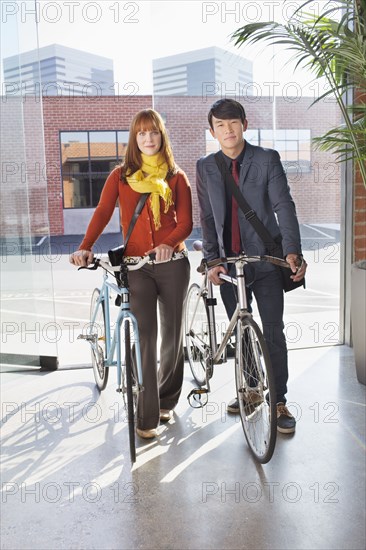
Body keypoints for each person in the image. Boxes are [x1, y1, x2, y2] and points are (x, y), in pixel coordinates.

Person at [70, 109, 193, 439]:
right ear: (134, 139)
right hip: (137, 268)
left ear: (161, 137)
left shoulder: (177, 178)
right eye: (141, 133)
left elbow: (185, 224)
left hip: (173, 266)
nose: (148, 138)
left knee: (172, 337)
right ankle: (147, 414)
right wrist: (85, 246)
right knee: (145, 338)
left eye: (153, 132)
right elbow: (102, 212)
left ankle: (167, 398)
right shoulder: (120, 176)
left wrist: (168, 244)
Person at [196, 98, 307, 434]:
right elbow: (207, 216)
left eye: (233, 123)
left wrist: (292, 251)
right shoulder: (205, 166)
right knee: (241, 331)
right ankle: (253, 389)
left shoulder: (266, 159)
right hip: (229, 266)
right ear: (212, 131)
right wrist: (212, 260)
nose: (228, 130)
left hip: (266, 261)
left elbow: (283, 206)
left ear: (244, 123)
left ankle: (279, 401)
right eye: (220, 125)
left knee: (272, 331)